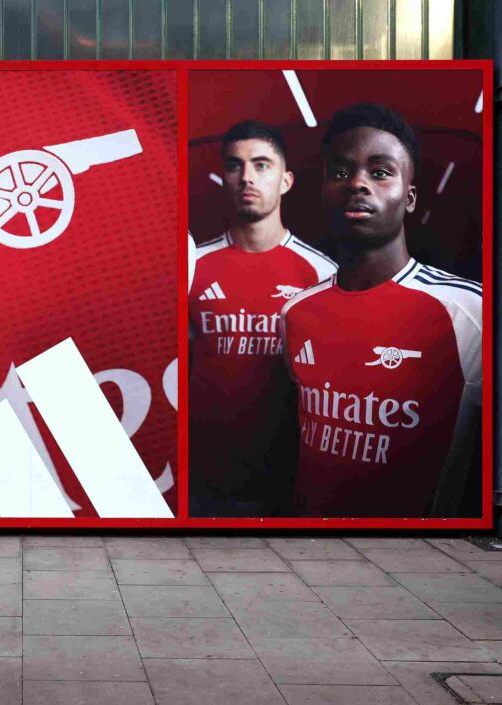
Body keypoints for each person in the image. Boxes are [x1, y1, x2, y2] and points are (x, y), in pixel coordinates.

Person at [281, 103, 482, 518]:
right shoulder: (296, 312)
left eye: (380, 172)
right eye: (340, 173)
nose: (357, 183)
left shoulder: (469, 312)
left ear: (409, 197)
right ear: (323, 191)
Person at [189, 121, 336, 516]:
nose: (247, 177)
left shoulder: (321, 274)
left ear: (286, 180)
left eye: (261, 165)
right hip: (201, 486)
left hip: (286, 486)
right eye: (235, 166)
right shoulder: (192, 266)